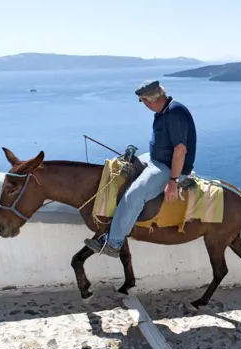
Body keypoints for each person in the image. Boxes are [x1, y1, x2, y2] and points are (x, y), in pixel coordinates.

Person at [84, 80, 197, 257]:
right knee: (122, 165)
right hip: (155, 159)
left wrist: (173, 181)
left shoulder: (175, 113)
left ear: (149, 100)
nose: (144, 105)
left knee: (134, 196)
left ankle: (114, 244)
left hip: (166, 166)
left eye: (143, 101)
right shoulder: (164, 111)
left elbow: (180, 150)